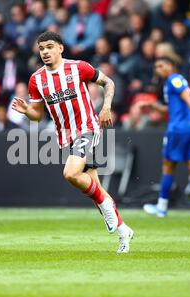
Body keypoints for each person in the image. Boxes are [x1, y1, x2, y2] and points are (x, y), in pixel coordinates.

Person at [11, 31, 134, 253]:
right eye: (41, 49)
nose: (45, 52)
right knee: (94, 187)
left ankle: (107, 206)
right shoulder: (36, 79)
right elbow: (38, 115)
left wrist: (106, 108)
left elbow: (109, 83)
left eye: (49, 47)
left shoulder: (78, 67)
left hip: (88, 127)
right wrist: (26, 111)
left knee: (70, 173)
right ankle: (124, 231)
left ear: (60, 48)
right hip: (65, 136)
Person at [136, 57, 190, 221]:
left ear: (171, 66)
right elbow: (174, 108)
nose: (158, 69)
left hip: (178, 130)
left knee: (168, 166)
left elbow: (189, 100)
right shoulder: (175, 81)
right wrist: (154, 106)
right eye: (156, 66)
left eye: (161, 65)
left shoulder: (174, 79)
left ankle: (161, 208)